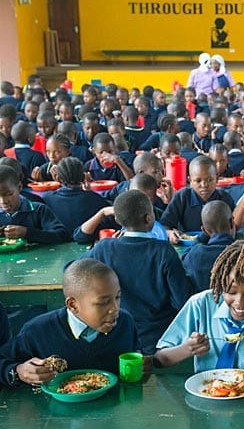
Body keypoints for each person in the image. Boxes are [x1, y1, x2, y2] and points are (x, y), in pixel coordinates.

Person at [155, 241, 244, 372]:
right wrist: (187, 349)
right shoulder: (200, 305)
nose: (239, 303)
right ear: (220, 285)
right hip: (208, 395)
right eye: (231, 292)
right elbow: (160, 359)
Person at [0, 259, 146, 387]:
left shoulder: (125, 322)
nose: (115, 309)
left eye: (118, 297)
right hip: (55, 415)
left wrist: (143, 360)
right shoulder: (37, 332)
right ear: (73, 305)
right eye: (103, 303)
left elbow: (136, 351)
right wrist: (18, 371)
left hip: (117, 412)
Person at [80, 190, 193, 354]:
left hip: (119, 335)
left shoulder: (105, 248)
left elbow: (72, 269)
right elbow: (182, 299)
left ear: (118, 220)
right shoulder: (163, 251)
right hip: (160, 338)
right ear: (149, 218)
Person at [161, 156, 235, 243]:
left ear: (217, 179)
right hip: (188, 247)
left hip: (219, 245)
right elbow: (164, 225)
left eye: (209, 180)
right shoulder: (182, 197)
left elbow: (234, 225)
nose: (204, 185)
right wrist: (169, 233)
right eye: (198, 181)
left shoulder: (224, 198)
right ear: (190, 181)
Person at [0, 165, 70, 244]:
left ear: (19, 187)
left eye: (8, 194)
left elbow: (63, 235)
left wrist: (27, 233)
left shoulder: (38, 210)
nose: (3, 201)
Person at [42, 157, 110, 236]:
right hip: (87, 241)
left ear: (58, 179)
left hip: (57, 241)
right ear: (83, 177)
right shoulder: (95, 198)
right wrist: (89, 192)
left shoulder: (47, 198)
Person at [181, 201, 236, 293]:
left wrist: (204, 234)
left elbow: (184, 257)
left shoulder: (196, 255)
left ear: (203, 230)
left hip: (205, 306)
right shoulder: (242, 252)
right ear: (231, 222)